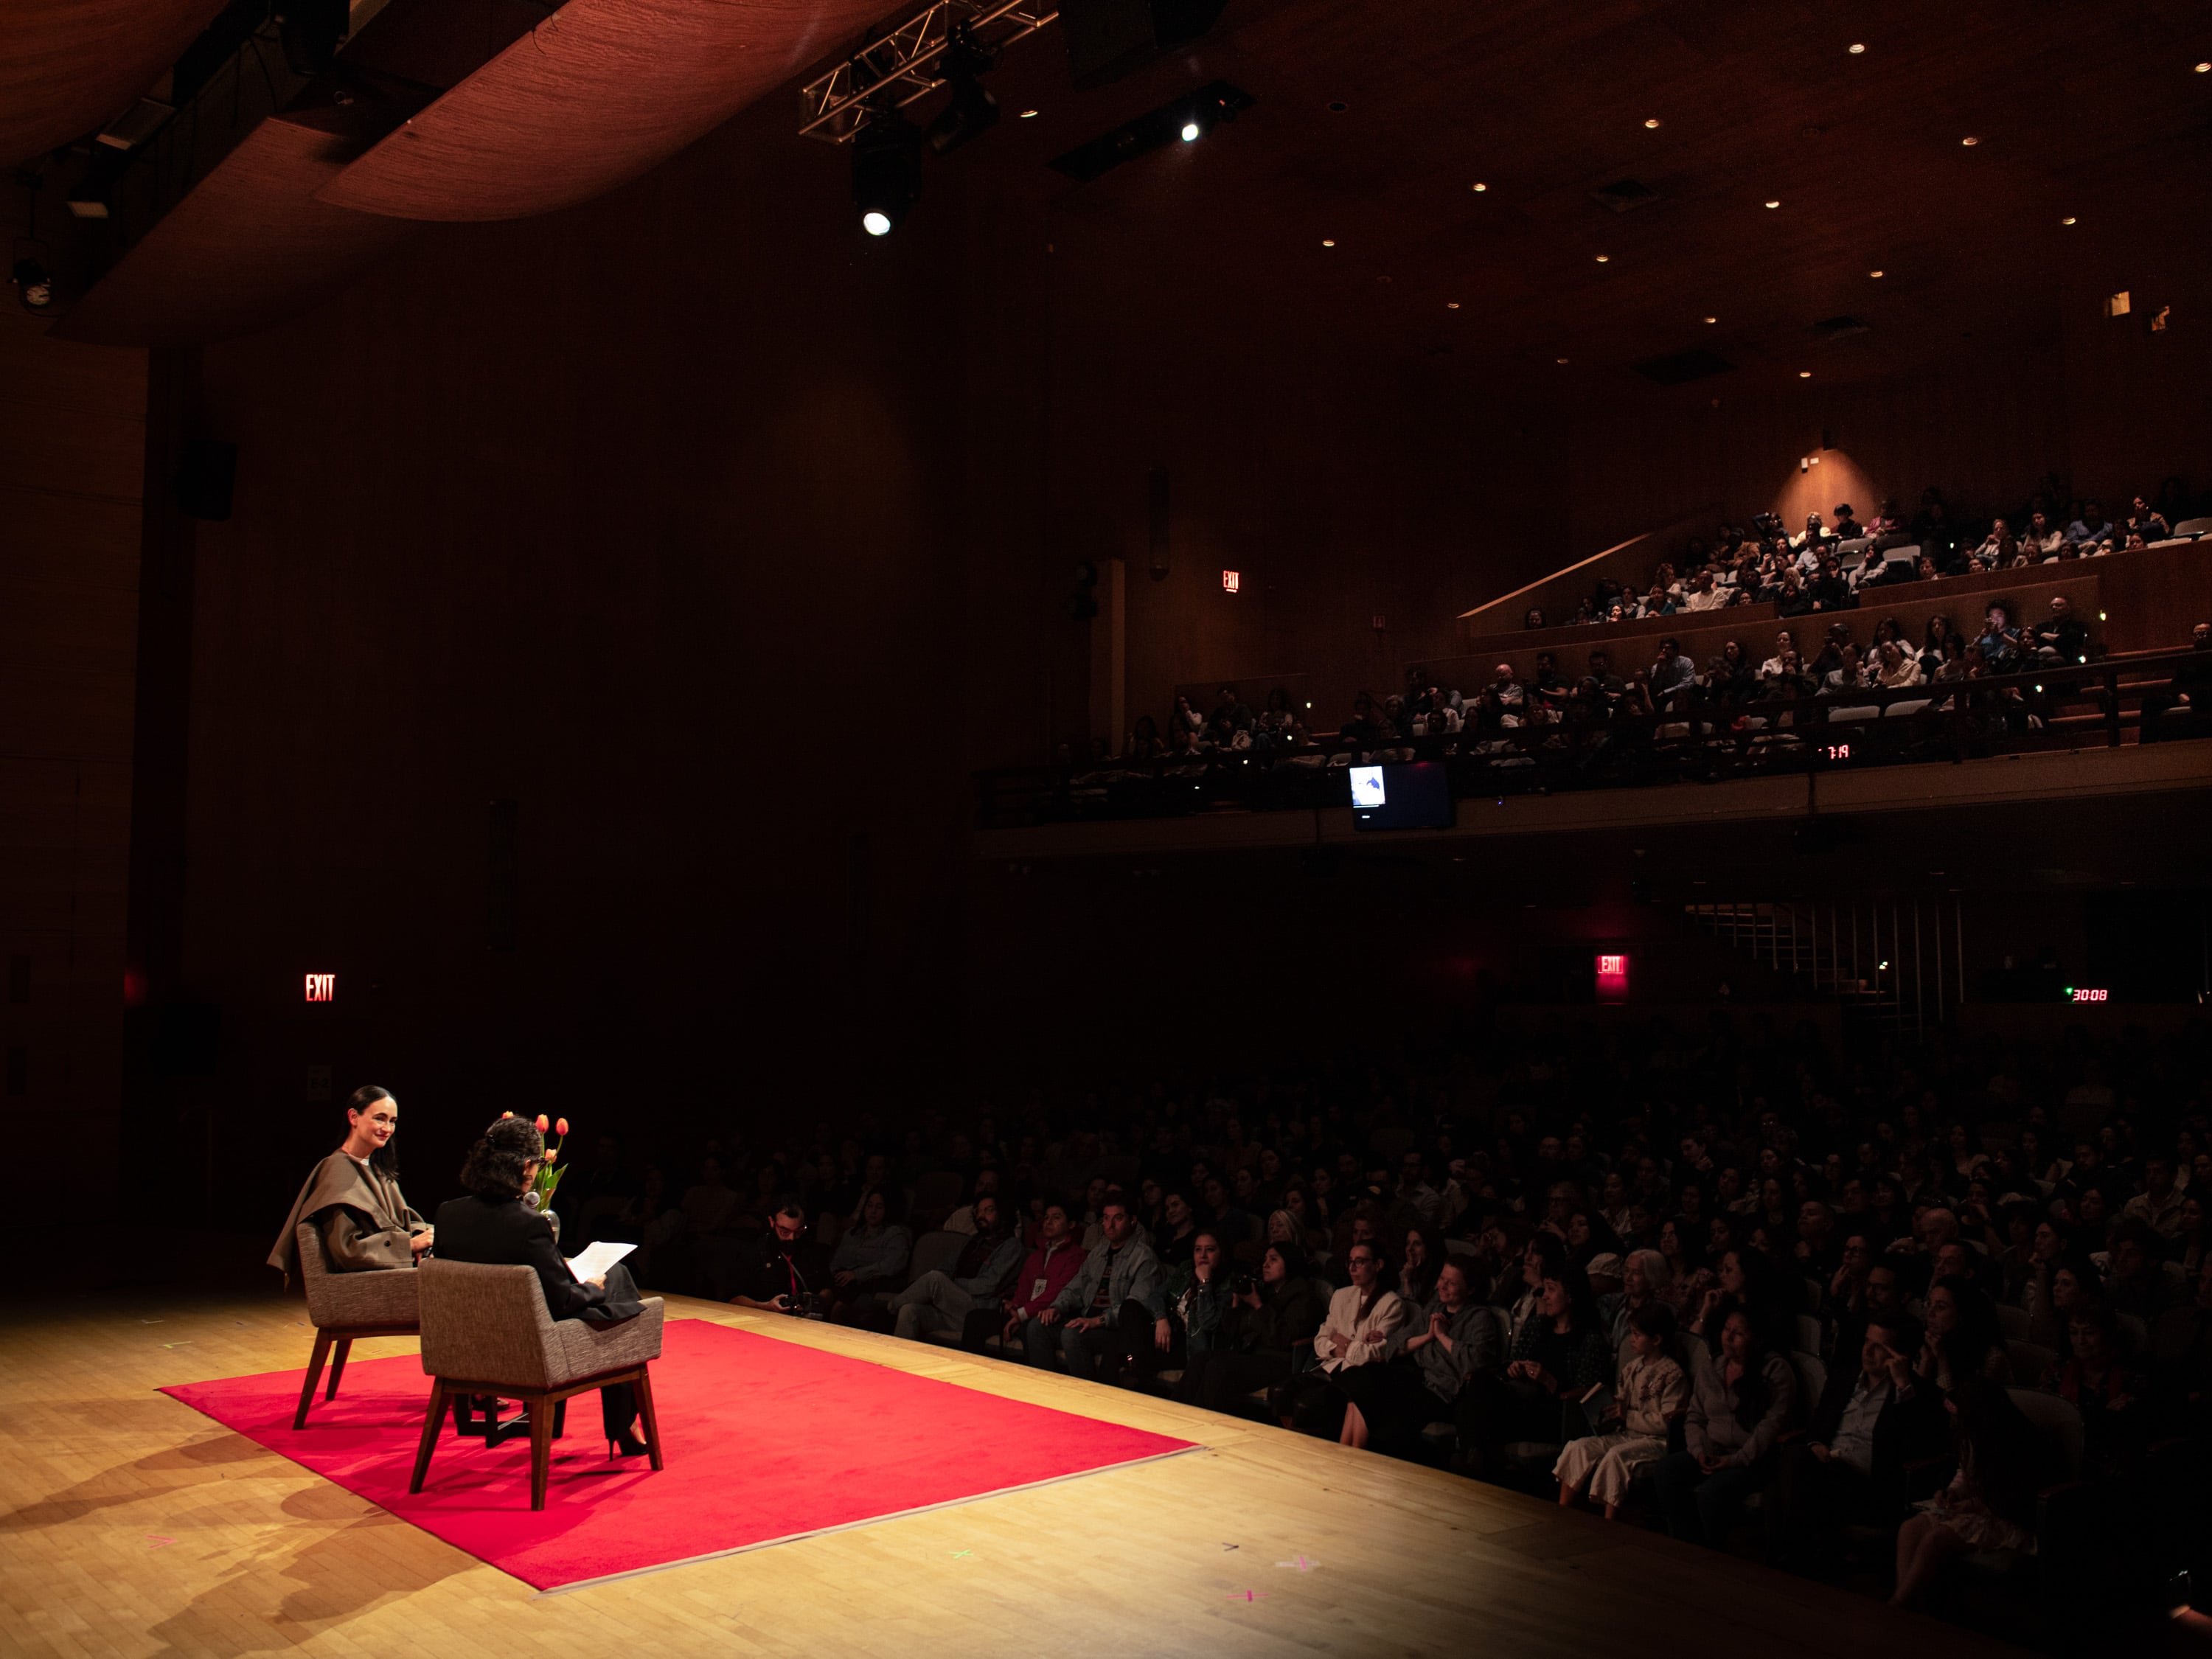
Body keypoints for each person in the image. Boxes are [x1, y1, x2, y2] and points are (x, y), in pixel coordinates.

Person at [433, 1116, 650, 1456]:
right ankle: (625, 1423)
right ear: (525, 1167)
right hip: (531, 1348)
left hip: (468, 1345)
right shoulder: (528, 1225)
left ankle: (625, 1423)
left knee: (615, 1282)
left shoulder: (447, 1215)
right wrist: (593, 1286)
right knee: (619, 1286)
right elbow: (563, 1302)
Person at [1770, 1315, 1935, 1572]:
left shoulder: (1916, 1393)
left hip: (1868, 1483)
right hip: (1828, 1465)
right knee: (1796, 1459)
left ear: (1898, 1355)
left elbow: (1916, 1446)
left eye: (1879, 1346)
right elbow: (1816, 1426)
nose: (1867, 1351)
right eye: (1866, 1341)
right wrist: (1815, 1444)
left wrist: (1904, 1385)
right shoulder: (1844, 1379)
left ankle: (1789, 1556)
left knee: (1797, 1469)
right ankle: (1796, 1558)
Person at [1891, 1377, 2048, 1607]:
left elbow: (2016, 1499)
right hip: (1975, 1509)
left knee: (1936, 1540)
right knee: (1909, 1528)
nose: (1954, 1422)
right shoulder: (1972, 1439)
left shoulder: (2017, 1443)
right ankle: (1908, 1597)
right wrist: (1952, 1493)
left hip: (2004, 1517)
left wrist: (1974, 1505)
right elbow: (1965, 1474)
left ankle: (1898, 1603)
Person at [1651, 1310, 1795, 1545]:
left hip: (1751, 1460)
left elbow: (1770, 1426)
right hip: (1713, 1451)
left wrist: (1735, 1460)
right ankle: (1686, 1543)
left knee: (1712, 1492)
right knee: (1666, 1470)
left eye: (1738, 1333)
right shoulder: (1712, 1368)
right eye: (1727, 1330)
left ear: (1756, 1338)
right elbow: (1695, 1416)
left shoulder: (1774, 1371)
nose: (1728, 1338)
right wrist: (1700, 1452)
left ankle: (1713, 1553)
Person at [268, 1085, 434, 1281]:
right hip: (368, 1278)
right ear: (354, 1117)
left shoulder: (377, 1170)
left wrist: (427, 1237)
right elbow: (348, 1250)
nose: (387, 1129)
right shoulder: (337, 1171)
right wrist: (410, 1245)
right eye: (379, 1118)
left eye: (392, 1121)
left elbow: (400, 1223)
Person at [1337, 1259, 1501, 1453]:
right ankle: (1346, 1453)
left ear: (1470, 1289)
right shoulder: (1434, 1308)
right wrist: (1428, 1336)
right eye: (1442, 1279)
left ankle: (1353, 1456)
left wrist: (1442, 1336)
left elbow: (1476, 1362)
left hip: (1443, 1392)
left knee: (1370, 1397)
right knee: (1363, 1379)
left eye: (1452, 1283)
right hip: (1416, 1378)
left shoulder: (1480, 1318)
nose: (1442, 1286)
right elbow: (1396, 1344)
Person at [1555, 1299, 1688, 1518]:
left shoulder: (1672, 1374)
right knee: (1578, 1447)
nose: (1632, 1340)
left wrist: (1628, 1415)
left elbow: (1668, 1422)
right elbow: (1623, 1400)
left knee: (1616, 1456)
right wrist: (1609, 1408)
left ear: (1656, 1339)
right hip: (1626, 1434)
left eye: (1637, 1335)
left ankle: (1610, 1520)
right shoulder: (1631, 1369)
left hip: (1653, 1441)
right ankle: (1564, 1510)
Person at [1024, 1200, 1168, 1385]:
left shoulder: (1143, 1257)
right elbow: (1075, 1287)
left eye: (1118, 1218)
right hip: (1086, 1319)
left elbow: (1135, 1305)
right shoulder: (1098, 1253)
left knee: (1072, 1335)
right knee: (1037, 1327)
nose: (1110, 1224)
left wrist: (1097, 1321)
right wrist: (1057, 1308)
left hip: (1113, 1329)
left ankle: (1086, 1397)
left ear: (1132, 1221)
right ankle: (1045, 1390)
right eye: (1106, 1219)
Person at [1180, 1242, 1329, 1414]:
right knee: (1200, 1359)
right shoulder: (1266, 1291)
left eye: (1273, 1260)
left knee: (1218, 1367)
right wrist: (1237, 1302)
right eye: (1265, 1259)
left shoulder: (1303, 1296)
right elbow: (1231, 1330)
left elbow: (1281, 1338)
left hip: (1280, 1360)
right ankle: (1176, 1415)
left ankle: (1198, 1422)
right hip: (1253, 1354)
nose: (1265, 1265)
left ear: (1289, 1263)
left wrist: (1258, 1305)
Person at [1277, 1239, 1407, 1435]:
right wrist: (1340, 1346)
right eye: (1350, 1262)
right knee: (1280, 1392)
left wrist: (1342, 1341)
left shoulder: (1391, 1304)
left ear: (1378, 1265)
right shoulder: (1341, 1295)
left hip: (1356, 1379)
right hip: (1330, 1368)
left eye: (1360, 1262)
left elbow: (1372, 1353)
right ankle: (1294, 1443)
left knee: (1308, 1404)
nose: (1353, 1268)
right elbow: (1321, 1339)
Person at [888, 1193, 1022, 1341]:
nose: (981, 1215)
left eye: (988, 1210)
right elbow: (946, 1268)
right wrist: (946, 1285)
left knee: (935, 1279)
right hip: (952, 1310)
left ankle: (889, 1310)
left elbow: (988, 1286)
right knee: (909, 1311)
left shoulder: (1012, 1246)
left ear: (1001, 1214)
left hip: (979, 1310)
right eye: (978, 1211)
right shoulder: (973, 1242)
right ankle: (895, 1362)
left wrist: (951, 1284)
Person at [987, 1198, 1088, 1351]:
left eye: (1056, 1217)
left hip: (1052, 1315)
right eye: (1046, 1217)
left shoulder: (1076, 1256)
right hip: (1025, 1312)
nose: (1049, 1222)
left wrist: (1021, 1315)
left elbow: (1057, 1293)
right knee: (977, 1318)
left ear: (1071, 1224)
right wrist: (1015, 1306)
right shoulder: (1035, 1256)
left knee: (1032, 1327)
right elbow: (1023, 1289)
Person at [726, 1195, 833, 1315]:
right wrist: (764, 1306)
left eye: (798, 1231)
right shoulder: (755, 1251)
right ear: (772, 1222)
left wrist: (816, 1301)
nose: (792, 1237)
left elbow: (828, 1288)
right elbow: (733, 1298)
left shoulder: (812, 1251)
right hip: (764, 1319)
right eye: (785, 1231)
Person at [824, 1186, 911, 1324]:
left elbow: (892, 1266)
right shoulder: (852, 1233)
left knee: (839, 1308)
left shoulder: (895, 1234)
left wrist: (856, 1274)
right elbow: (837, 1261)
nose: (873, 1211)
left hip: (870, 1286)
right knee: (823, 1296)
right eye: (869, 1206)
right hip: (844, 1283)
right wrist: (839, 1274)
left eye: (879, 1207)